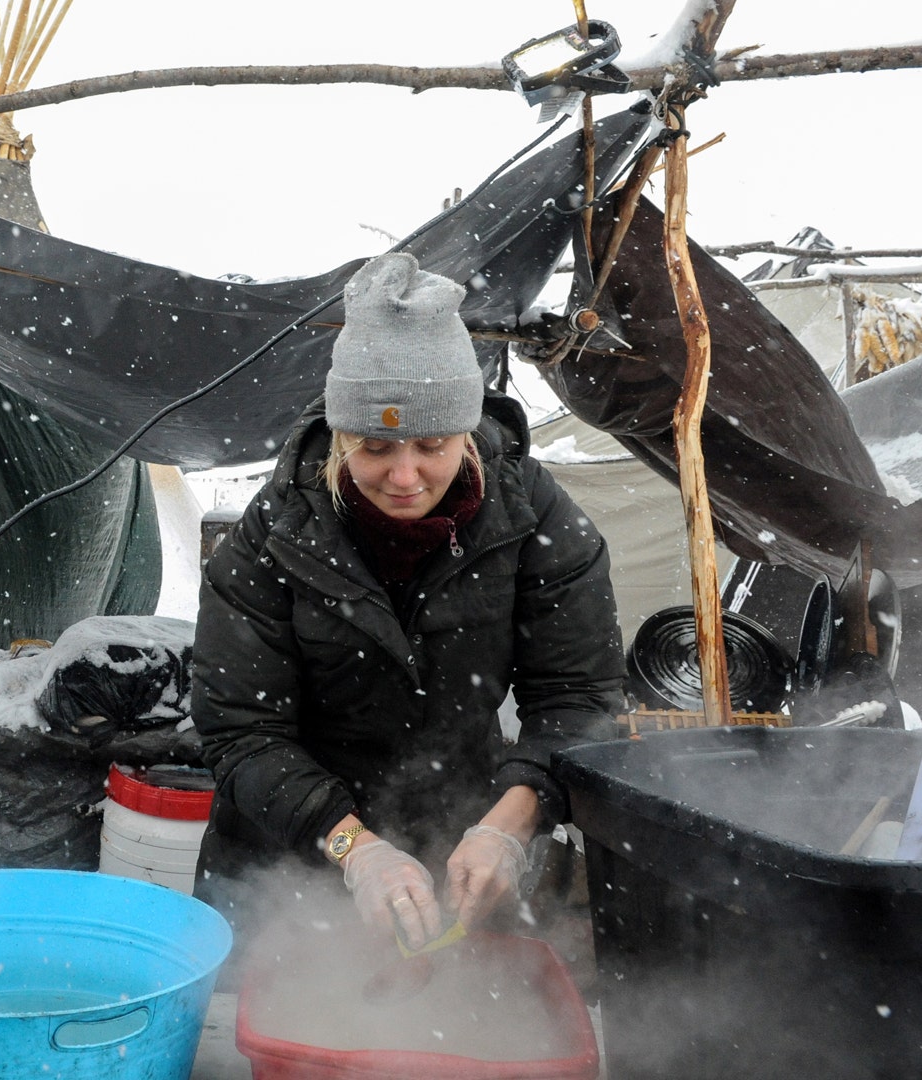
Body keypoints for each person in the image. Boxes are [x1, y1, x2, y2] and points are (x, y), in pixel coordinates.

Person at [191, 250, 625, 951]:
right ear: (339, 435)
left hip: (460, 839)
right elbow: (241, 732)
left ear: (465, 428)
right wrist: (354, 848)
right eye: (374, 446)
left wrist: (507, 828)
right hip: (285, 855)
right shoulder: (272, 536)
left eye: (431, 444)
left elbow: (581, 699)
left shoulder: (536, 521)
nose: (403, 475)